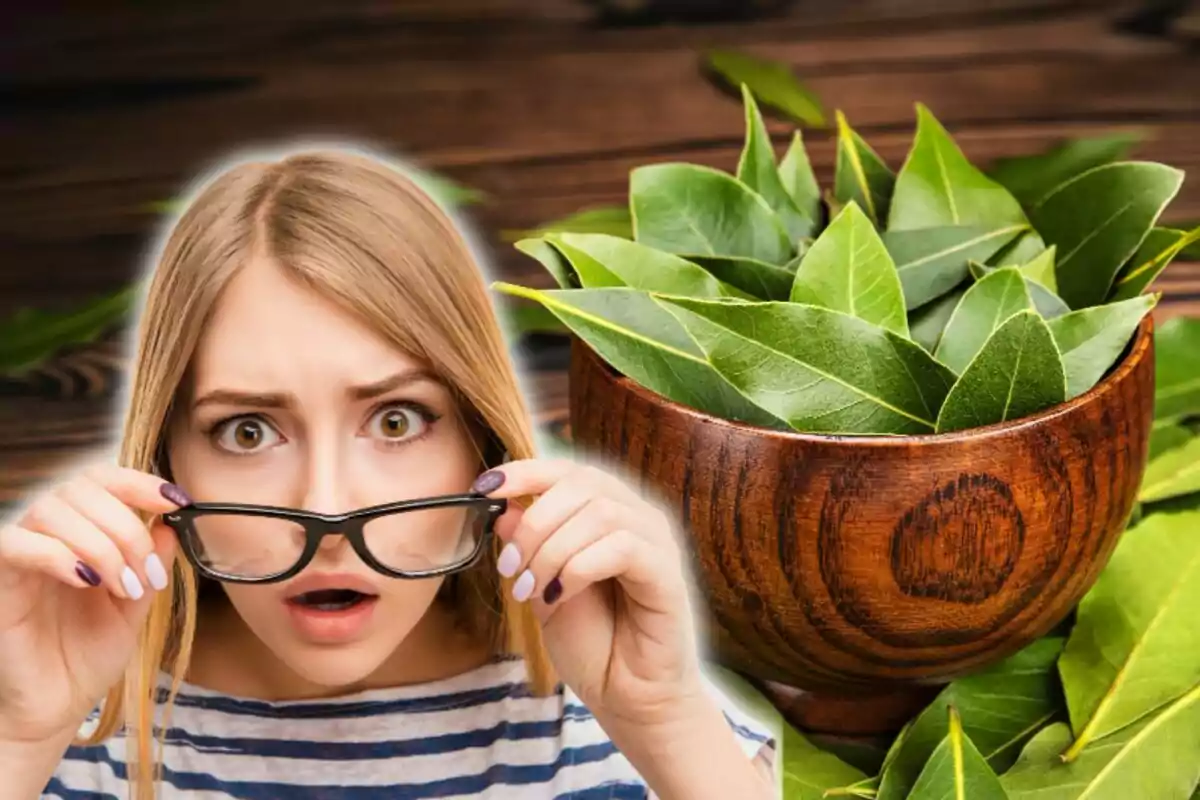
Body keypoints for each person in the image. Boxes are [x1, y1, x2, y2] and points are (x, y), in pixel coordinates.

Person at [0, 147, 779, 799]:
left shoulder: (631, 716)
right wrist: (20, 735)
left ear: (483, 439)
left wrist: (665, 723)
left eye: (397, 421)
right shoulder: (65, 727)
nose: (329, 510)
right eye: (247, 431)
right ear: (166, 460)